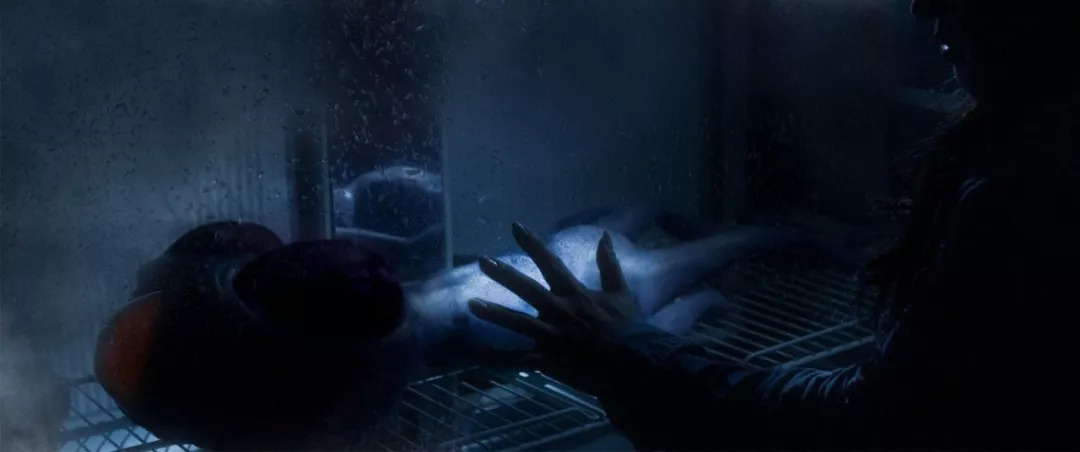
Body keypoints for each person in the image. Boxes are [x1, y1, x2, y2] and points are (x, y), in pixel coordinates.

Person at [467, 0, 1080, 449]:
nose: (921, 7)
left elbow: (865, 427)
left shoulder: (1024, 195)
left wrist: (629, 352)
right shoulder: (1016, 155)